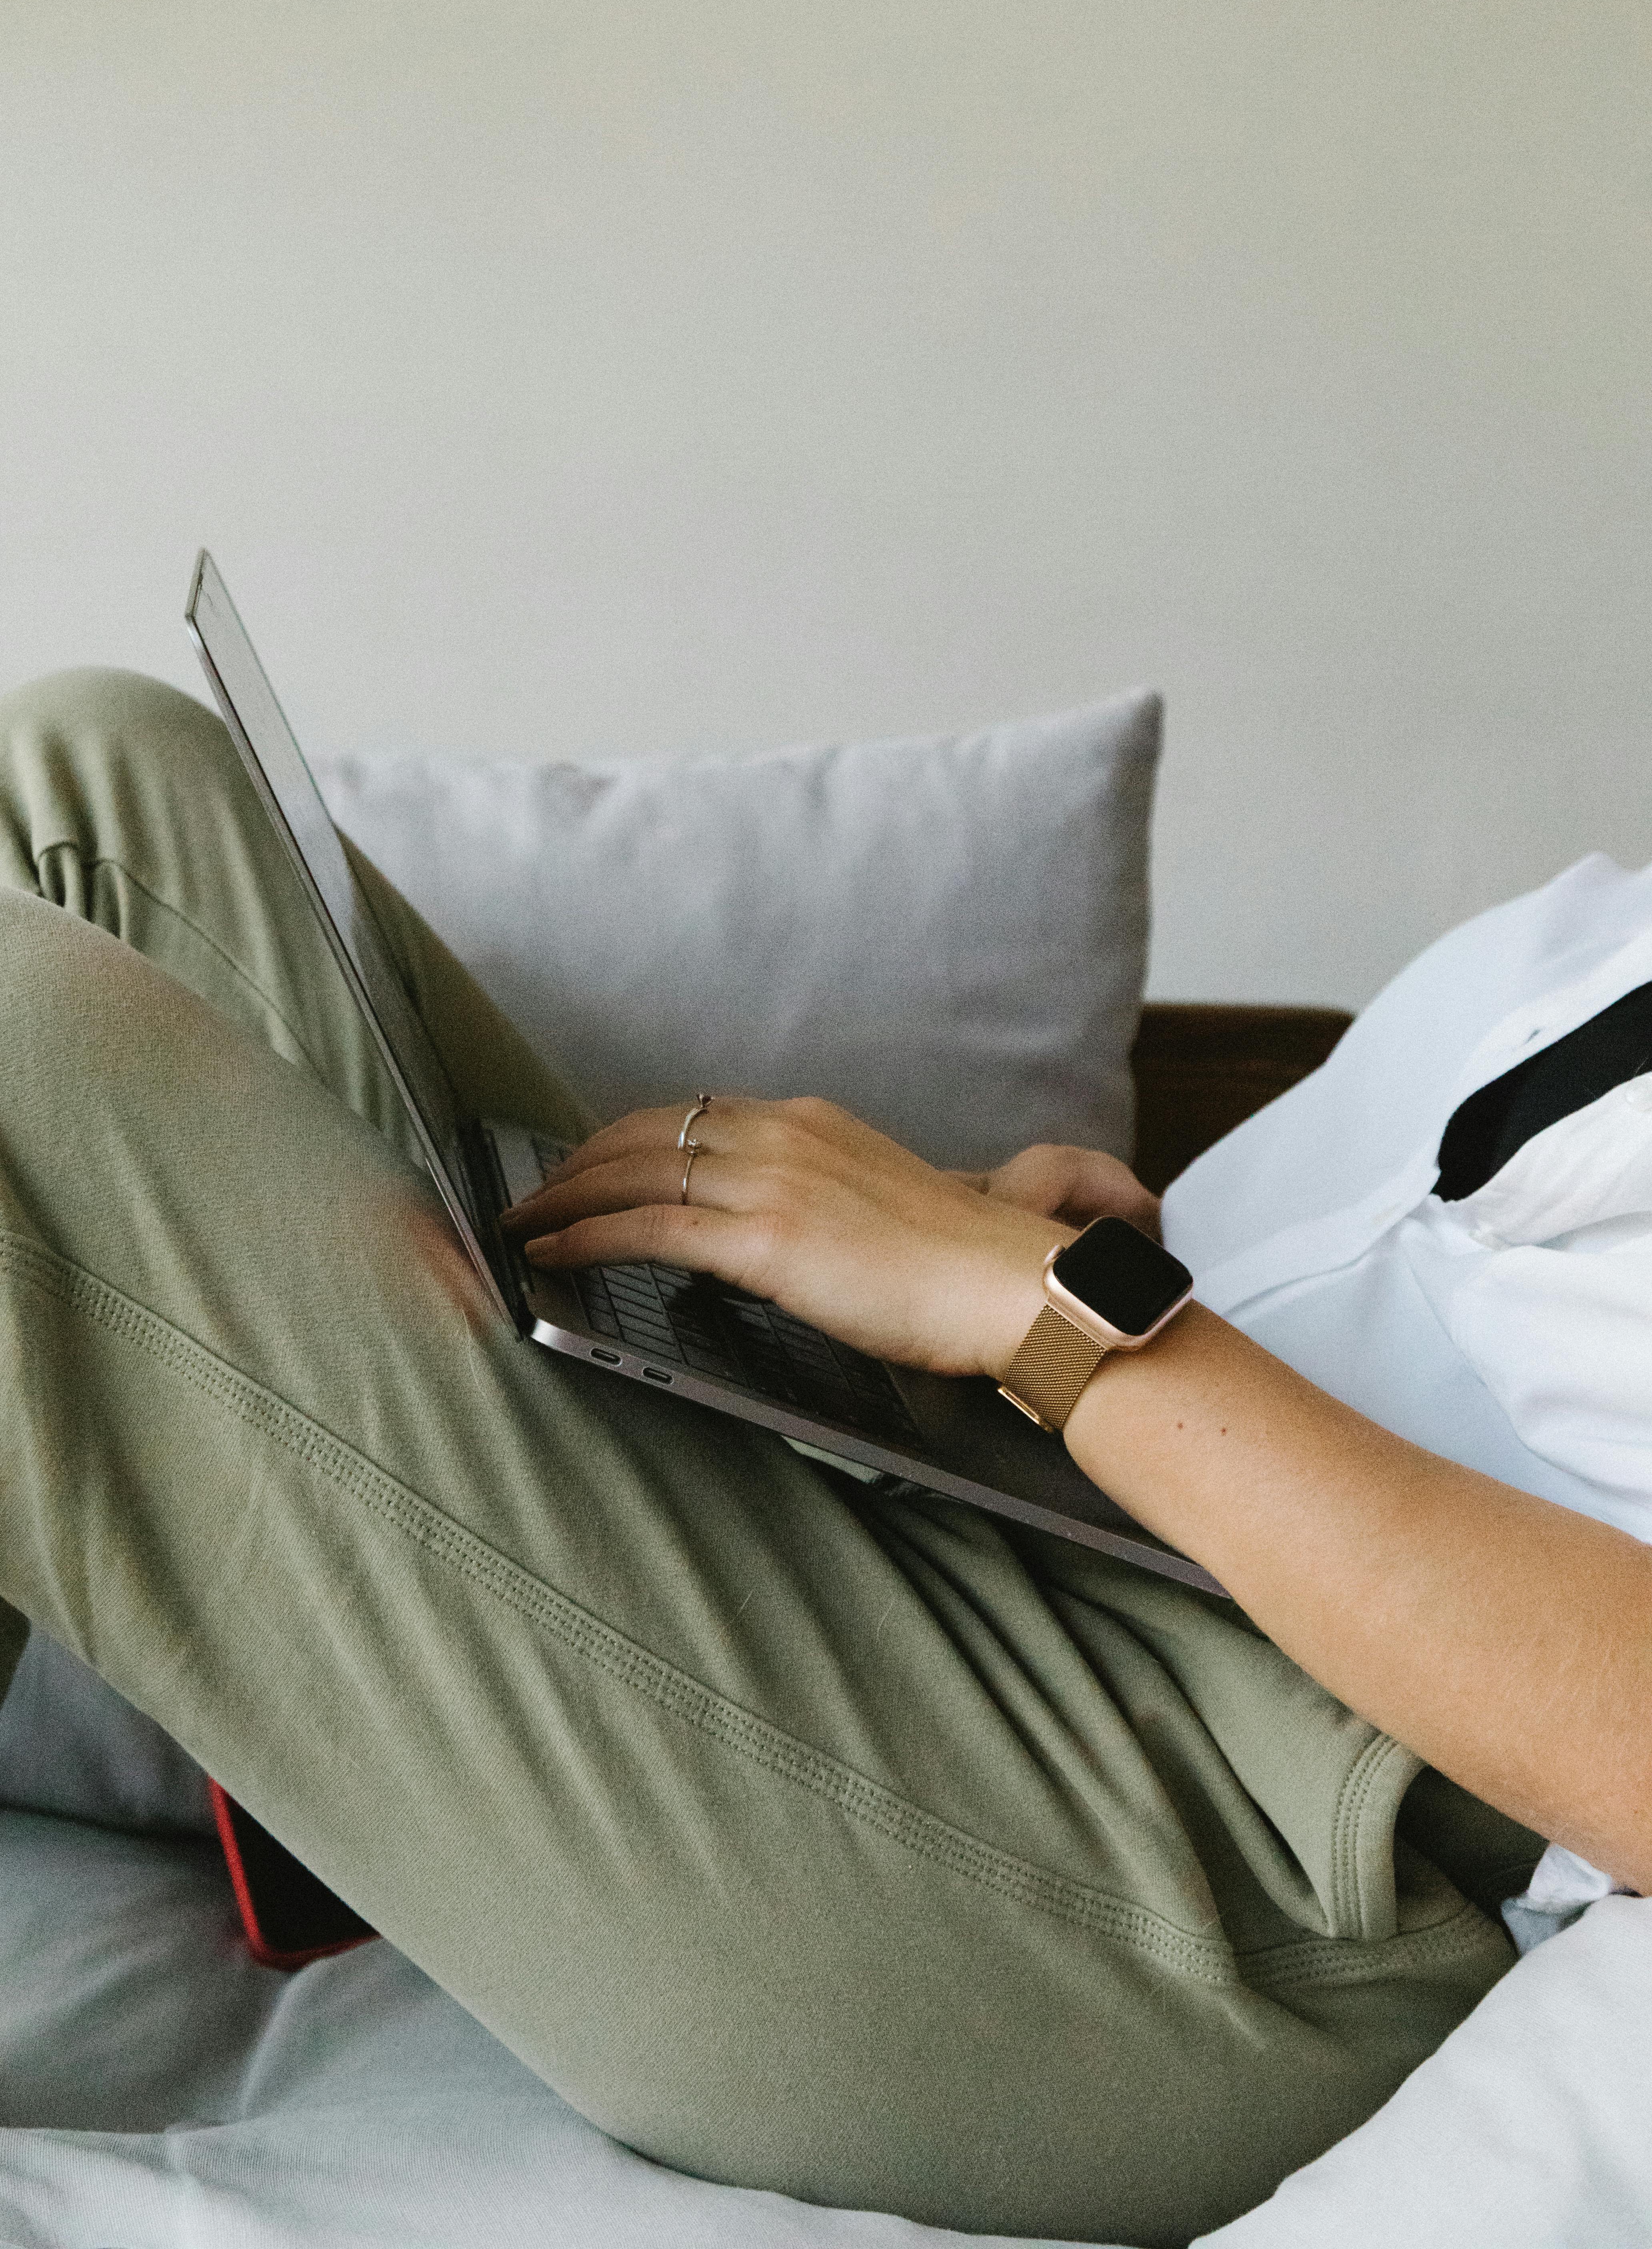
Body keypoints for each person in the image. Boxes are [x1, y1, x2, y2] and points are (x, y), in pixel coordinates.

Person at [0, 664, 1645, 2246]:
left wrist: (1055, 1315)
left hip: (1257, 1877)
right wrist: (1115, 1265)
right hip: (1070, 1526)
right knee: (96, 772)